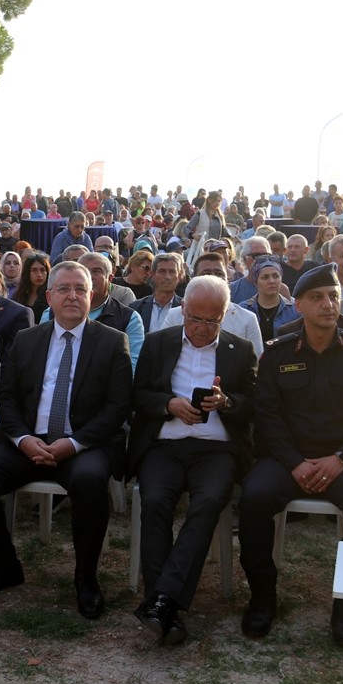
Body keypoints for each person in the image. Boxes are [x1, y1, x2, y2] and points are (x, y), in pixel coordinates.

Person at [0, 261, 132, 619]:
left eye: (80, 289)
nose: (72, 296)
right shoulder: (28, 339)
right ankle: (3, 568)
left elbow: (118, 407)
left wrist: (74, 444)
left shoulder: (112, 341)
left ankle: (86, 579)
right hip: (30, 441)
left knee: (89, 481)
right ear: (49, 296)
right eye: (64, 289)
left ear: (92, 295)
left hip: (83, 444)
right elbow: (6, 397)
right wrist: (22, 439)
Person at [238, 264, 343, 646]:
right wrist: (294, 462)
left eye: (334, 296)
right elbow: (267, 415)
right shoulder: (277, 352)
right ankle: (262, 595)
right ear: (299, 305)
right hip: (287, 460)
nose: (328, 304)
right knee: (253, 499)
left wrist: (341, 458)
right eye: (317, 297)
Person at [129, 275, 257, 645]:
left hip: (215, 450)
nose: (201, 328)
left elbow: (253, 405)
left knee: (209, 502)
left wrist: (226, 402)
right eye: (194, 318)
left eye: (211, 320)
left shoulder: (240, 349)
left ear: (225, 315)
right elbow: (137, 395)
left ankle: (160, 600)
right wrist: (168, 404)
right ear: (182, 310)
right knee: (155, 501)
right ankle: (165, 604)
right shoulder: (158, 343)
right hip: (165, 446)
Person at [164, 253, 264, 357]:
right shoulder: (174, 315)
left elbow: (255, 360)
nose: (213, 278)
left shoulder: (247, 319)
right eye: (206, 274)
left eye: (219, 274)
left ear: (227, 279)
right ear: (194, 279)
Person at [239, 256, 296, 343]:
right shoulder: (243, 310)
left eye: (275, 276)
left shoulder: (294, 310)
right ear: (256, 282)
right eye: (265, 277)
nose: (271, 281)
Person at [130, 253, 184, 333]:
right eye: (162, 271)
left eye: (172, 272)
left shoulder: (185, 309)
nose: (167, 277)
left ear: (179, 276)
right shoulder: (136, 307)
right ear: (152, 275)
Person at [13, 252, 50, 324]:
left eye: (42, 270)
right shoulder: (19, 296)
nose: (39, 275)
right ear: (27, 273)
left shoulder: (51, 295)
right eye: (34, 270)